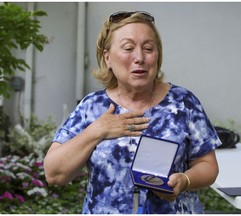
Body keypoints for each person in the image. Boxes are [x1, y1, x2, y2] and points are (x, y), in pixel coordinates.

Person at [44, 11, 222, 214]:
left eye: (148, 48)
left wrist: (185, 180)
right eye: (128, 48)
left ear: (158, 56)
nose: (139, 58)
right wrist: (97, 130)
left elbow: (208, 165)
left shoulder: (183, 103)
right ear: (107, 57)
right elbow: (54, 173)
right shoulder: (91, 107)